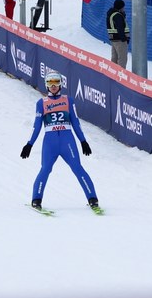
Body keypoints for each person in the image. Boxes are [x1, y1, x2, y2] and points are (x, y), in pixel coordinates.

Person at [19, 70, 101, 213]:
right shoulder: (41, 103)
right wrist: (29, 144)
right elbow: (37, 126)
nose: (53, 86)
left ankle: (93, 199)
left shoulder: (68, 101)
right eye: (50, 83)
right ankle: (36, 200)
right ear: (46, 85)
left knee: (78, 168)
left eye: (56, 82)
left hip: (67, 141)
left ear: (61, 84)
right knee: (45, 169)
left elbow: (75, 122)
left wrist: (83, 141)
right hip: (50, 142)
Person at [106, 0, 130, 68]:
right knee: (122, 59)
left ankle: (113, 73)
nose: (124, 8)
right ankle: (121, 75)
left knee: (114, 58)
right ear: (120, 7)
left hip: (113, 39)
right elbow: (120, 27)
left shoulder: (111, 14)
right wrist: (124, 38)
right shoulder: (118, 16)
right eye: (123, 7)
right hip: (120, 40)